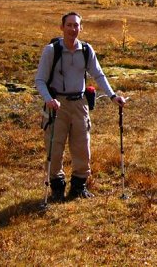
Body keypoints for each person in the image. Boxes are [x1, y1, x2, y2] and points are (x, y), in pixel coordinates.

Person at [35, 11, 126, 201]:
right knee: (54, 148)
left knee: (82, 147)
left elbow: (98, 74)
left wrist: (112, 96)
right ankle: (57, 189)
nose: (73, 29)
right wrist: (48, 99)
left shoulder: (86, 50)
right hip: (56, 106)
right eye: (69, 25)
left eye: (76, 25)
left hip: (80, 105)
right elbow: (40, 80)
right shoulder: (51, 50)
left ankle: (78, 187)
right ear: (62, 28)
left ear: (80, 28)